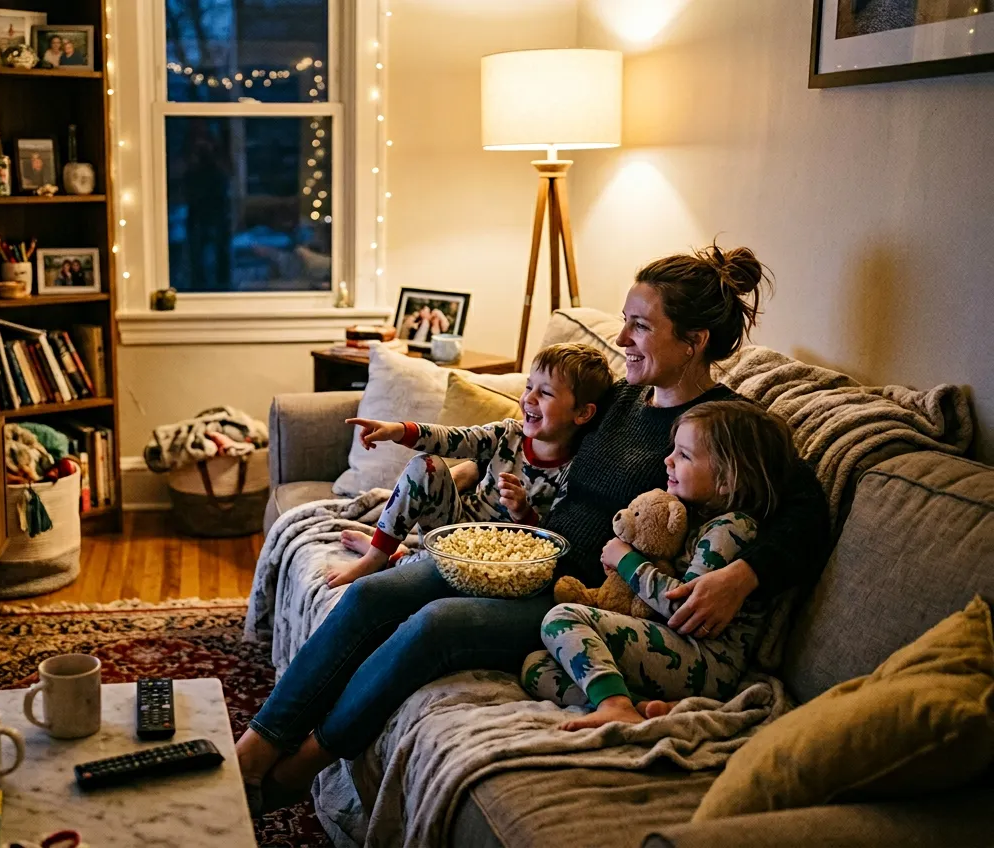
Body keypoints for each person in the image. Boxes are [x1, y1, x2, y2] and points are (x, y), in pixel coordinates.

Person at [234, 243, 832, 814]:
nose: (621, 339)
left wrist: (743, 576)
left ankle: (300, 767)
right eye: (625, 321)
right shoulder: (623, 398)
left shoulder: (724, 425)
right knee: (369, 594)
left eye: (641, 327)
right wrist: (469, 472)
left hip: (582, 595)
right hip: (520, 554)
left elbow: (809, 511)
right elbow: (528, 437)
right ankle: (257, 746)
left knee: (433, 626)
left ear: (695, 341)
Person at [522, 400, 797, 729]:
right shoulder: (690, 519)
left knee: (562, 619)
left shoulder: (732, 529)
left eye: (684, 455)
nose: (667, 460)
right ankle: (641, 706)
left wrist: (626, 561)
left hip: (705, 659)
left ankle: (614, 705)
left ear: (726, 480)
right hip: (670, 650)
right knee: (536, 666)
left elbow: (683, 609)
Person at [325, 343, 614, 588]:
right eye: (529, 387)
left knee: (442, 573)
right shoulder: (507, 434)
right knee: (426, 465)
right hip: (454, 527)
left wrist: (523, 512)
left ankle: (399, 555)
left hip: (499, 559)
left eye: (546, 393)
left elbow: (552, 540)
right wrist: (397, 430)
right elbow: (453, 439)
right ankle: (375, 556)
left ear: (583, 413)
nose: (529, 398)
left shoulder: (574, 470)